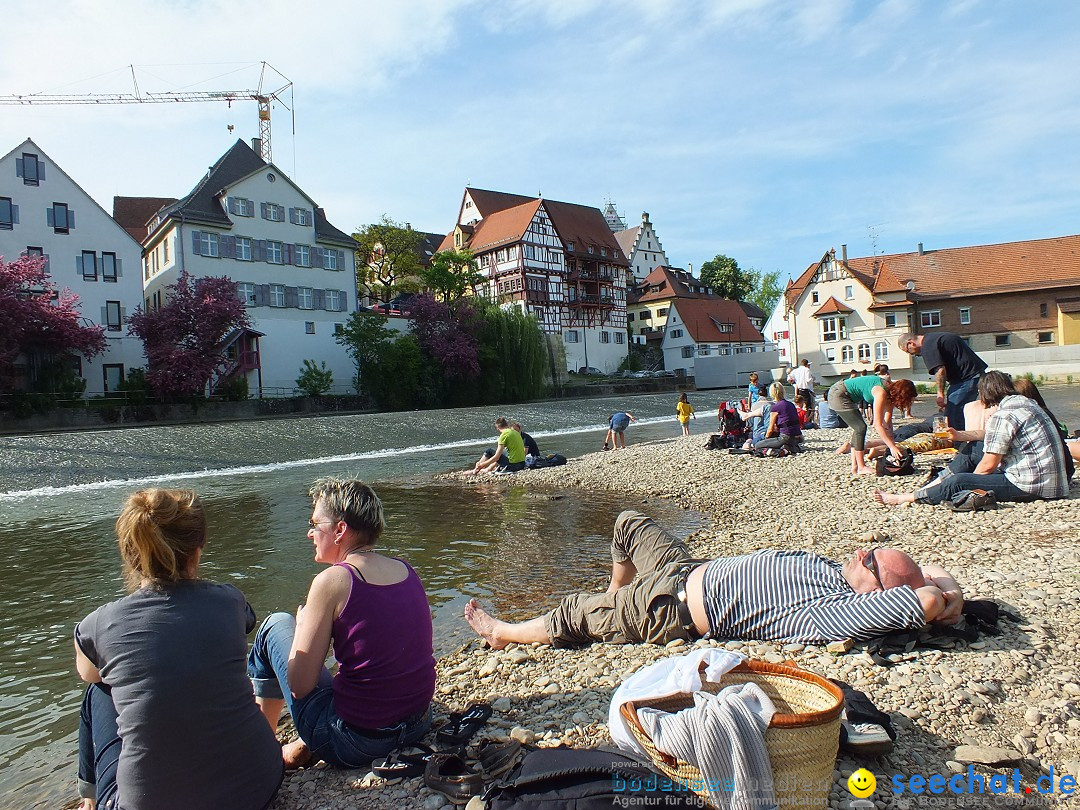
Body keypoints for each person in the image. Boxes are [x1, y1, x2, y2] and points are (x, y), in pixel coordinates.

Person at [464, 511, 962, 650]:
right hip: (683, 569)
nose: (860, 551)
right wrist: (946, 584)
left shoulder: (836, 610)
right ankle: (613, 600)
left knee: (572, 612)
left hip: (669, 607)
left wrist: (941, 596)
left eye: (870, 558)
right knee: (628, 522)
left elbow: (920, 602)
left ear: (876, 593)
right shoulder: (838, 572)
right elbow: (929, 583)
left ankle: (502, 633)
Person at [74, 489, 283, 810]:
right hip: (258, 785)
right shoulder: (230, 601)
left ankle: (90, 798)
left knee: (98, 690)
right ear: (198, 549)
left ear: (130, 554)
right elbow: (238, 628)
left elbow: (89, 673)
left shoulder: (100, 623)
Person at [247, 478, 436, 770]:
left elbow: (299, 686)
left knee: (274, 624)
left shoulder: (332, 581)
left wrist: (303, 627)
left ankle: (258, 751)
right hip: (418, 724)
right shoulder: (405, 569)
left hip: (358, 744)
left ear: (340, 530)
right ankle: (293, 746)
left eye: (315, 524)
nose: (310, 533)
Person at [873, 372, 1070, 507]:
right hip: (1053, 482)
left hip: (1033, 487)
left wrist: (971, 481)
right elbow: (992, 437)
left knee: (959, 481)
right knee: (975, 448)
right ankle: (935, 485)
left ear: (985, 393)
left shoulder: (1005, 415)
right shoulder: (1028, 404)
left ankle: (906, 498)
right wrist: (960, 435)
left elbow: (988, 466)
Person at [828, 375, 916, 475]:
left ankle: (855, 467)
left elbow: (887, 423)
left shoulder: (890, 396)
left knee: (858, 429)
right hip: (839, 393)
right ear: (902, 395)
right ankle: (861, 467)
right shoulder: (881, 392)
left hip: (848, 396)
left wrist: (892, 445)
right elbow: (877, 424)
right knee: (860, 428)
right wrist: (891, 447)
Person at [898, 332, 987, 430]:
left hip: (967, 378)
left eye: (908, 351)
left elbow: (940, 371)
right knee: (957, 412)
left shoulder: (928, 346)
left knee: (954, 415)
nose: (912, 354)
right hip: (972, 375)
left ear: (910, 343)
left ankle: (959, 442)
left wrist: (940, 394)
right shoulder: (933, 337)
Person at [755, 382, 803, 454]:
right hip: (798, 437)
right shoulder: (791, 404)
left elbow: (770, 429)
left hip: (786, 437)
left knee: (757, 446)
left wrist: (766, 439)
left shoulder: (775, 407)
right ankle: (791, 447)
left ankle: (779, 451)